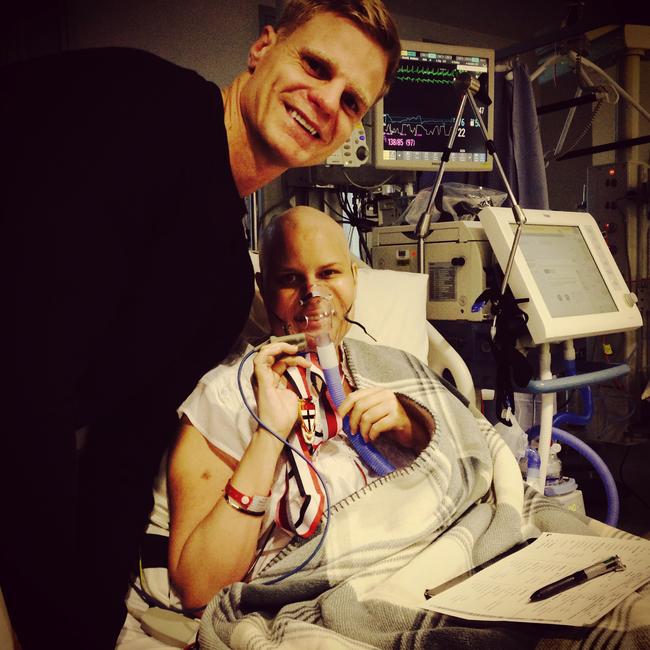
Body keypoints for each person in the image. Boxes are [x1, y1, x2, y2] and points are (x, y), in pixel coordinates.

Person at [0, 2, 401, 648]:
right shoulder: (135, 105)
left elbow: (122, 457)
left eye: (351, 100)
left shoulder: (217, 285)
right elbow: (24, 381)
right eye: (315, 65)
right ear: (261, 48)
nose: (327, 101)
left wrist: (91, 622)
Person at [132, 206, 432, 618]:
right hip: (325, 599)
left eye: (329, 274)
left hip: (421, 570)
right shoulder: (227, 397)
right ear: (264, 287)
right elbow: (198, 588)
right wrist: (267, 435)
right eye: (290, 279)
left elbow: (469, 461)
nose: (314, 294)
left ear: (354, 278)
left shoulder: (393, 372)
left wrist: (415, 431)